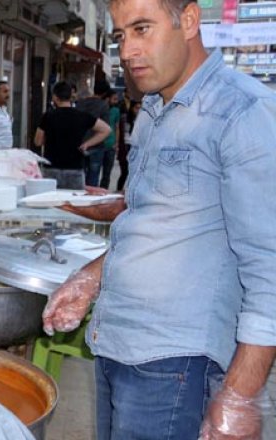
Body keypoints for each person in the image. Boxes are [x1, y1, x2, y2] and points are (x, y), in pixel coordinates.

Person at [42, 0, 276, 438]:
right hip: (117, 345)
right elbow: (148, 219)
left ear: (188, 20)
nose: (127, 51)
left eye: (142, 29)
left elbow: (270, 267)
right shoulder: (152, 110)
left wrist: (241, 393)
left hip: (175, 364)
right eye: (120, 35)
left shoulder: (241, 112)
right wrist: (93, 276)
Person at [34, 81, 111, 190]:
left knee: (51, 202)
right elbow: (106, 129)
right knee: (73, 203)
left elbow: (38, 141)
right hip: (75, 168)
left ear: (55, 97)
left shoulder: (48, 116)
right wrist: (87, 144)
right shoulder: (82, 116)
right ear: (71, 96)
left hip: (51, 168)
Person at [75, 81, 112, 187]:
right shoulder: (103, 105)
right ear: (105, 93)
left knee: (80, 177)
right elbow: (107, 127)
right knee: (93, 178)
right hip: (97, 145)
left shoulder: (81, 103)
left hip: (80, 144)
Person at [98, 89, 121, 189]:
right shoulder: (101, 109)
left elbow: (117, 127)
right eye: (114, 99)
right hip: (99, 143)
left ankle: (103, 191)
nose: (116, 101)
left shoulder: (116, 111)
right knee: (95, 170)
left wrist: (116, 143)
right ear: (107, 99)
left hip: (110, 144)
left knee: (107, 173)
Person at [116, 100, 140, 191]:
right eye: (136, 108)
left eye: (140, 108)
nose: (138, 110)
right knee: (124, 172)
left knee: (133, 173)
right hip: (125, 149)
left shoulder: (141, 119)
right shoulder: (125, 119)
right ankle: (119, 190)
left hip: (135, 148)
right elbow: (124, 135)